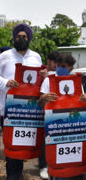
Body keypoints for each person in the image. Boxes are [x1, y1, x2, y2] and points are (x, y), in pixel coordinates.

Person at [0, 23, 44, 180]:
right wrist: (6, 82)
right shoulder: (4, 56)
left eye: (24, 37)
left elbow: (39, 82)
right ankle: (12, 176)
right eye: (18, 36)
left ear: (29, 39)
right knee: (11, 146)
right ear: (14, 38)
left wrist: (44, 74)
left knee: (24, 144)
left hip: (29, 111)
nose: (21, 39)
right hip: (9, 109)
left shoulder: (36, 57)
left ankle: (19, 174)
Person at [39, 54, 85, 180]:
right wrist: (45, 98)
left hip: (72, 126)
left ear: (71, 68)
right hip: (54, 125)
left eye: (63, 67)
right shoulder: (49, 80)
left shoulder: (76, 82)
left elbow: (80, 103)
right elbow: (40, 101)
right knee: (54, 156)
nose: (59, 69)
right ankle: (49, 170)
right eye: (58, 66)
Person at [38, 50, 60, 179]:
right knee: (47, 141)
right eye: (54, 62)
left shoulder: (65, 76)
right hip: (49, 115)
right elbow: (41, 99)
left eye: (59, 63)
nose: (57, 65)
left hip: (62, 116)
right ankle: (44, 166)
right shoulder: (46, 78)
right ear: (49, 62)